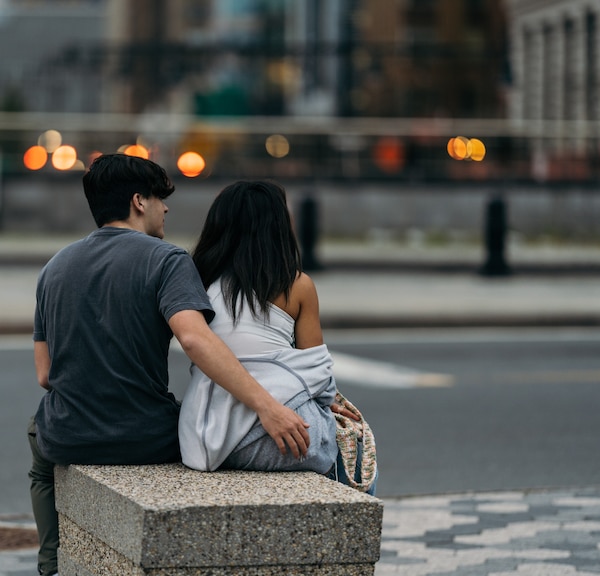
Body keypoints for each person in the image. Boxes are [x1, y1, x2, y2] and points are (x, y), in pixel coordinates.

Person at [28, 155, 310, 576]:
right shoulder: (166, 259)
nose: (166, 209)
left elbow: (45, 375)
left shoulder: (54, 268)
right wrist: (267, 406)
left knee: (38, 454)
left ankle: (51, 564)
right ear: (139, 202)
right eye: (162, 199)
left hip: (67, 437)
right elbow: (195, 340)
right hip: (145, 437)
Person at [178, 180, 377, 494]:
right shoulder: (295, 285)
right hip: (284, 438)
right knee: (355, 451)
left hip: (208, 438)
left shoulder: (194, 280)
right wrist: (330, 403)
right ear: (277, 226)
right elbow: (319, 373)